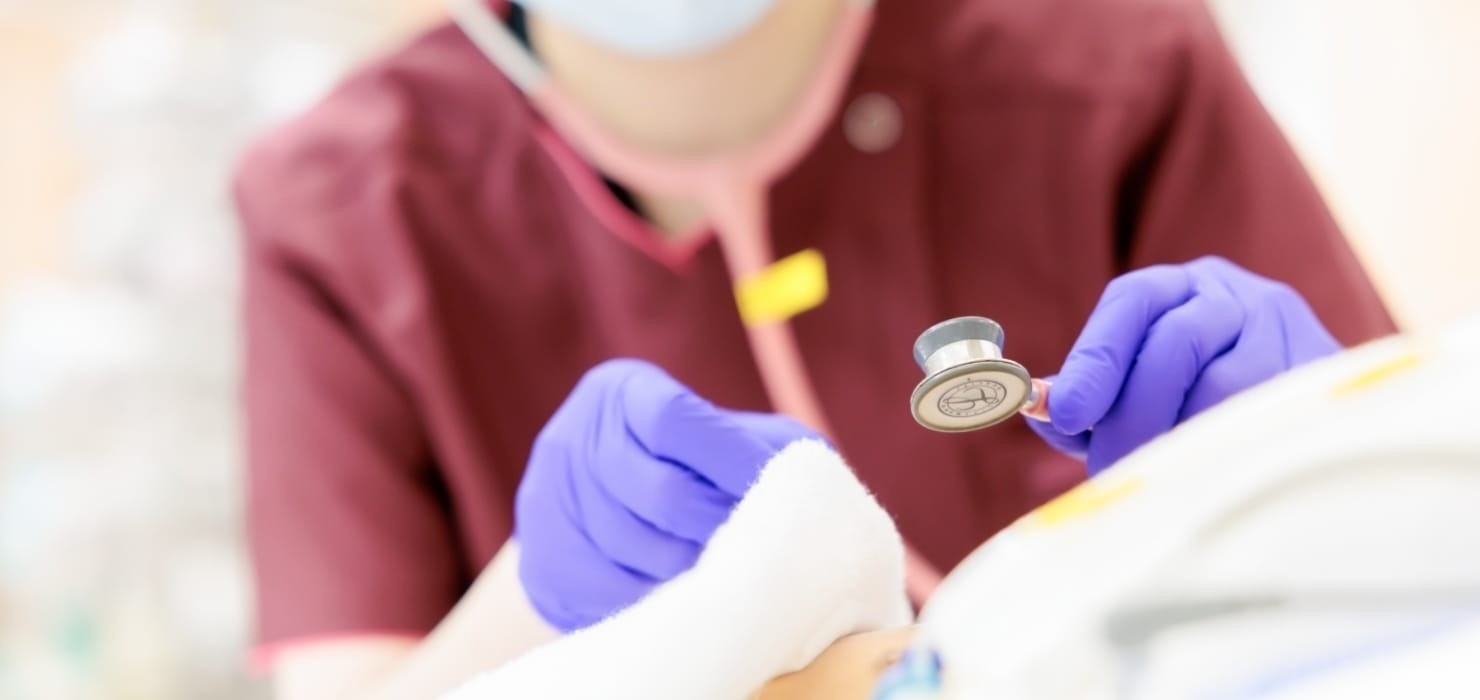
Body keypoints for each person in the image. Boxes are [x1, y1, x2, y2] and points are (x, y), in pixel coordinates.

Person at [232, 0, 1395, 696]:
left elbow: (1427, 574)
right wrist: (530, 610)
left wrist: (1326, 465)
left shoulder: (1116, 66)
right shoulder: (340, 209)